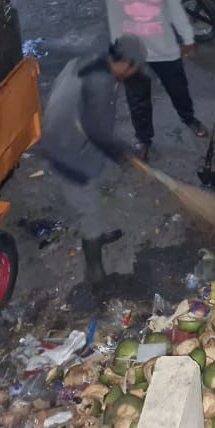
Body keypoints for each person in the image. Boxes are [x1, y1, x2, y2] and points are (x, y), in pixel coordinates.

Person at [27, 0, 205, 158]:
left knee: (178, 89)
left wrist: (188, 38)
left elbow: (175, 9)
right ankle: (143, 139)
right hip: (129, 52)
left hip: (164, 48)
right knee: (137, 98)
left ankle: (188, 118)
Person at [39, 37, 146, 284]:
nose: (133, 74)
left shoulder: (91, 60)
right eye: (133, 69)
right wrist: (125, 153)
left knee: (93, 192)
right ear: (124, 63)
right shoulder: (100, 82)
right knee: (89, 209)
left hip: (65, 136)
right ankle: (94, 271)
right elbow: (97, 132)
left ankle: (96, 235)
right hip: (67, 150)